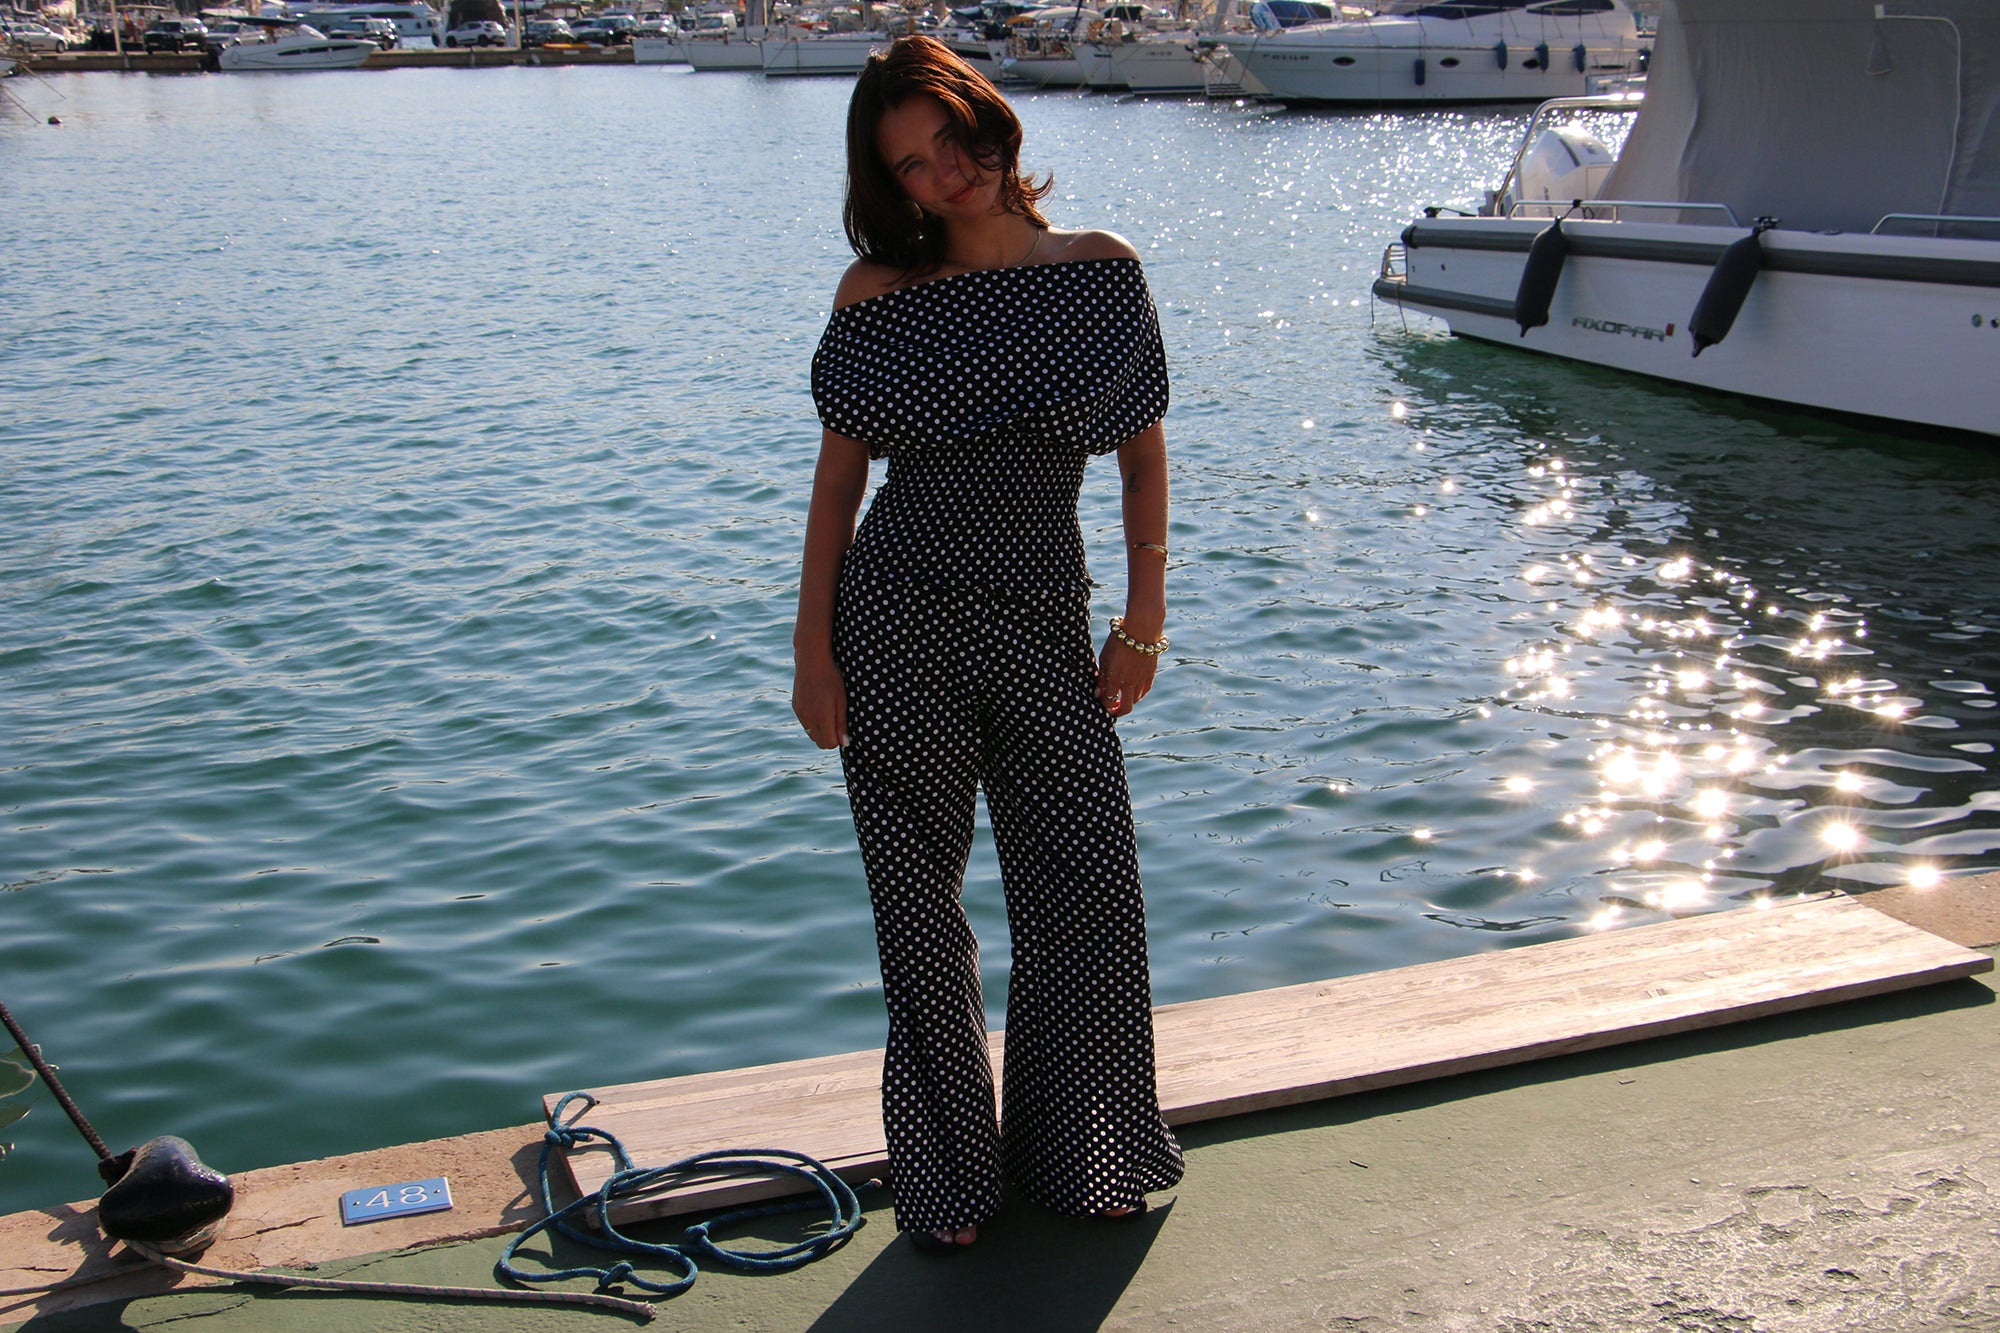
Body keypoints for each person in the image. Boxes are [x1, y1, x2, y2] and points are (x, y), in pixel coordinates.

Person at [792, 34, 1184, 1254]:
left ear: (989, 121)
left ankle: (1085, 1149)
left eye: (949, 139)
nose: (943, 173)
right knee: (917, 908)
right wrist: (811, 650)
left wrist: (1142, 621)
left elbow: (1140, 459)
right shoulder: (877, 295)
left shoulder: (1099, 271)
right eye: (910, 164)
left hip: (1044, 616)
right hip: (894, 617)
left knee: (1085, 885)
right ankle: (950, 1177)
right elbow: (838, 486)